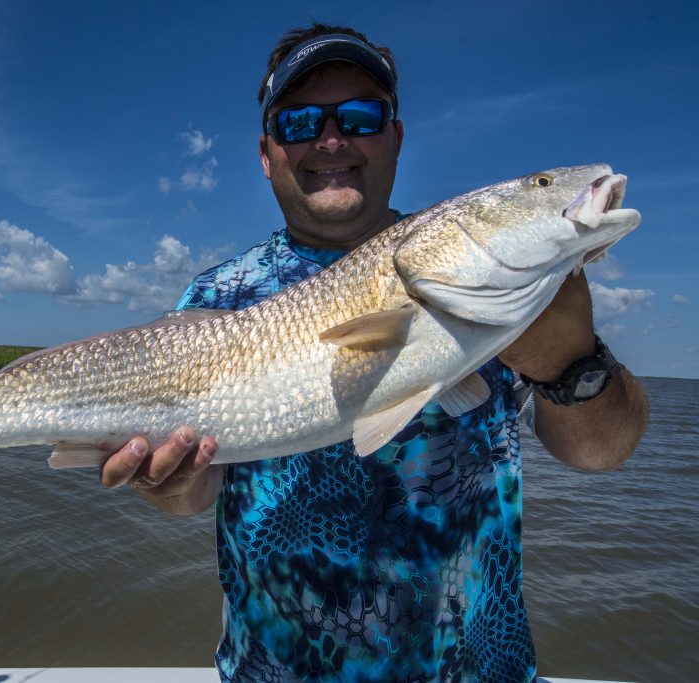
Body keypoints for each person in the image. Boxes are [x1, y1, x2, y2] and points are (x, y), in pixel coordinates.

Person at [100, 24, 650, 682]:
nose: (331, 140)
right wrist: (172, 483)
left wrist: (574, 363)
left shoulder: (517, 290)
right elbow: (192, 497)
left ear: (395, 135)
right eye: (300, 121)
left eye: (361, 116)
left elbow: (603, 451)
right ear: (267, 152)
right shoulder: (218, 298)